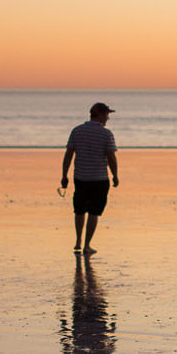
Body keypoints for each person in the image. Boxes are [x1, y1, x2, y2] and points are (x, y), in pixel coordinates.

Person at [60, 102, 119, 255]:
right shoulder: (106, 134)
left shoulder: (77, 131)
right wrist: (115, 176)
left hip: (81, 178)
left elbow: (68, 155)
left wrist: (64, 175)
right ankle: (87, 245)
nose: (108, 118)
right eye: (106, 114)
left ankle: (78, 241)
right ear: (99, 115)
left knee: (79, 210)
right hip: (99, 179)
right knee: (94, 212)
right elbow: (111, 157)